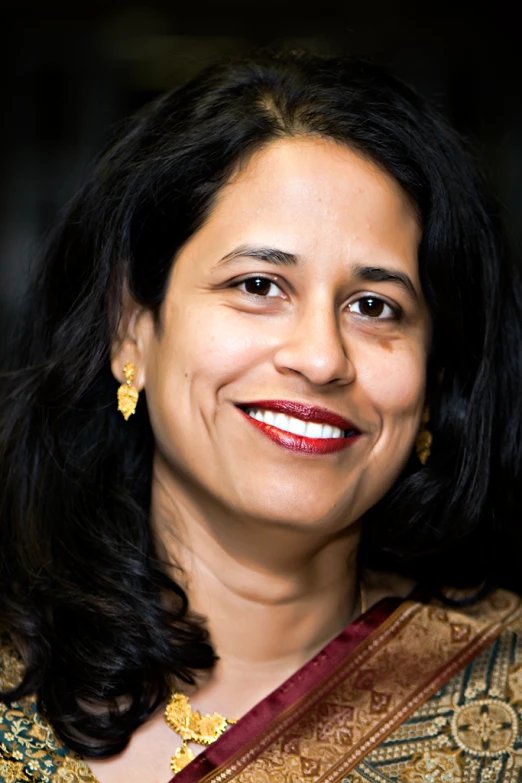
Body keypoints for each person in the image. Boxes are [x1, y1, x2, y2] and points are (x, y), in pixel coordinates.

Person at [1, 49, 522, 783]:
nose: (320, 357)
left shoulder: (502, 701)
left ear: (434, 377)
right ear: (131, 327)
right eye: (258, 284)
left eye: (375, 306)